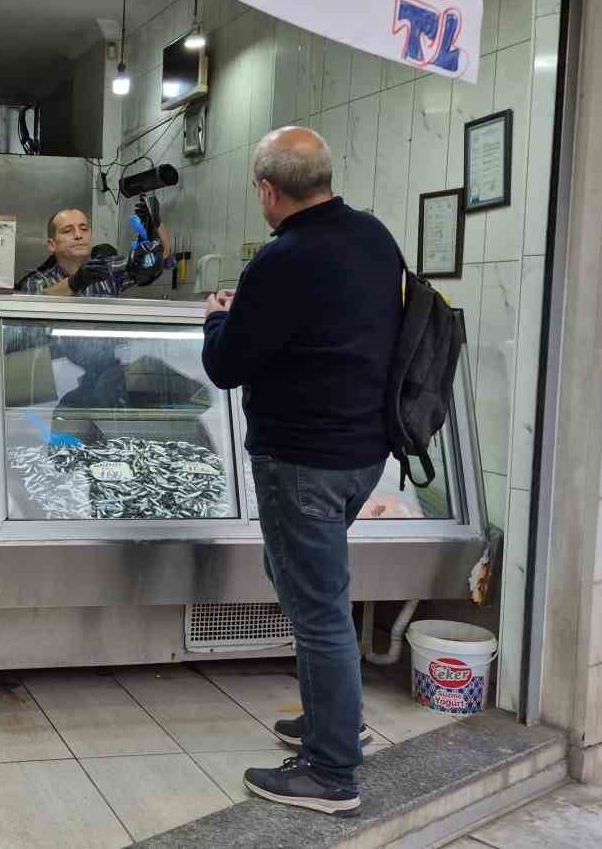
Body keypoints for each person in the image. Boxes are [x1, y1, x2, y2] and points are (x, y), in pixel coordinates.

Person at [200, 126, 402, 817]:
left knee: (317, 610)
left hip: (302, 461)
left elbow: (227, 367)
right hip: (362, 456)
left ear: (267, 188)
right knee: (300, 582)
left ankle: (330, 770)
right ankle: (333, 719)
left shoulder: (282, 260)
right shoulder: (376, 238)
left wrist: (215, 320)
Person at [15, 208, 169, 297]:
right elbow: (39, 303)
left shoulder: (108, 270)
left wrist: (155, 223)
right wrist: (75, 282)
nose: (78, 235)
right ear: (52, 245)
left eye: (84, 229)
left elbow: (161, 256)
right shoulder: (37, 281)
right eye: (68, 231)